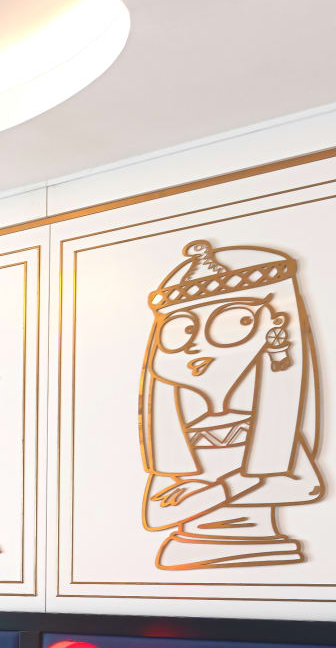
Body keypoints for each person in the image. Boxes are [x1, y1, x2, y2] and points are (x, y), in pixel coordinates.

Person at [138, 239, 323, 568]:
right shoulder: (179, 438)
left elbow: (305, 488)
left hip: (262, 547)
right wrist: (243, 481)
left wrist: (210, 489)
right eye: (180, 332)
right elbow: (156, 514)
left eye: (234, 323)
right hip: (184, 549)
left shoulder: (269, 430)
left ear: (272, 332)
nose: (196, 347)